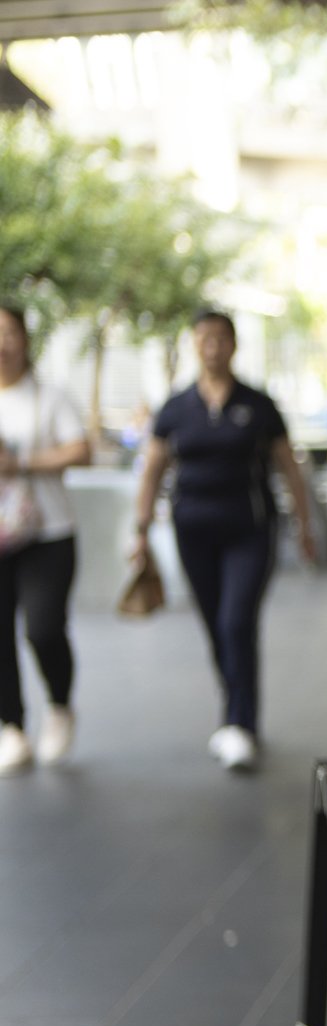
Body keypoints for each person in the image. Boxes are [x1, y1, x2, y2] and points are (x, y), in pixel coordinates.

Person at [133, 310, 318, 771]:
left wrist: (304, 524)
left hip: (249, 531)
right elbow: (153, 468)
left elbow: (288, 466)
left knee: (237, 621)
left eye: (221, 339)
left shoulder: (258, 404)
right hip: (192, 532)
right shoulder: (175, 407)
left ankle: (241, 723)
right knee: (216, 625)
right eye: (204, 339)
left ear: (233, 345)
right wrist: (140, 528)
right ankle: (232, 708)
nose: (212, 347)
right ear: (194, 344)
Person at [0, 303, 91, 773]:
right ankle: (11, 726)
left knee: (43, 628)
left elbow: (82, 450)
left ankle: (59, 704)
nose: (2, 342)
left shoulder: (49, 396)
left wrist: (22, 465)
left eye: (9, 332)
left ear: (25, 339)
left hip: (48, 532)